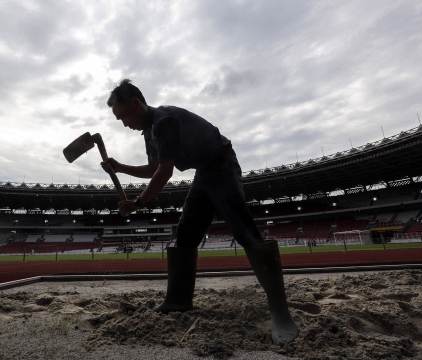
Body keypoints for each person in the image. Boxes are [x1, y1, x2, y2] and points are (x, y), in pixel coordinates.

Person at [100, 79, 298, 344]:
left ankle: (280, 313)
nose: (123, 122)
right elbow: (152, 168)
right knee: (186, 234)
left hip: (221, 164)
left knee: (245, 232)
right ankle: (178, 300)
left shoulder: (163, 121)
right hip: (205, 172)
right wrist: (120, 167)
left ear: (135, 103)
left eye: (122, 115)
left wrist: (137, 203)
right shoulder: (150, 131)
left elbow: (164, 173)